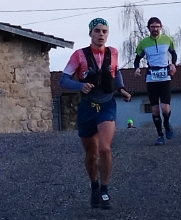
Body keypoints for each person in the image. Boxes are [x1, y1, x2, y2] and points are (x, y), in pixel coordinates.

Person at [59, 18, 131, 209]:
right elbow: (63, 80)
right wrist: (80, 86)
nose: (101, 35)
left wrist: (122, 89)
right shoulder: (79, 55)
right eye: (97, 31)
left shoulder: (113, 53)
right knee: (91, 154)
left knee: (105, 148)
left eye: (104, 31)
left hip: (107, 104)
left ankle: (105, 190)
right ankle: (94, 186)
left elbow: (116, 73)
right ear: (90, 33)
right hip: (87, 106)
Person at [133, 17, 177, 146]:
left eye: (157, 26)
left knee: (165, 108)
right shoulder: (143, 43)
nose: (155, 29)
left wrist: (174, 64)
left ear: (161, 27)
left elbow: (173, 53)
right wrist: (137, 68)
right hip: (151, 77)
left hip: (165, 76)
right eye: (153, 27)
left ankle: (167, 125)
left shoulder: (167, 39)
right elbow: (137, 58)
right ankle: (160, 135)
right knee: (155, 110)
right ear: (149, 28)